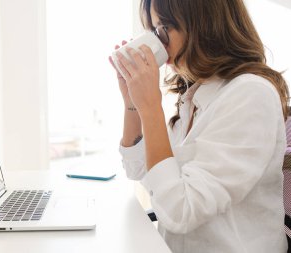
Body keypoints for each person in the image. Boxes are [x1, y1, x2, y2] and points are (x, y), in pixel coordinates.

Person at [108, 0, 290, 252]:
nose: (158, 44)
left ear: (203, 26)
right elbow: (137, 168)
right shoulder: (196, 93)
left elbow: (180, 212)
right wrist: (133, 105)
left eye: (164, 29)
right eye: (153, 32)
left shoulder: (250, 94)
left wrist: (150, 108)